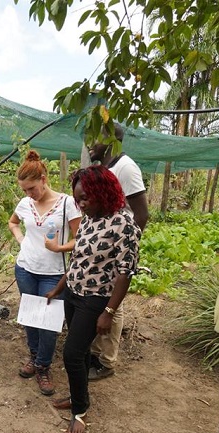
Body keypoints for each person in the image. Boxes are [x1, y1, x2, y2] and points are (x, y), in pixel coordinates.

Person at [46, 166, 140, 433]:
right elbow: (78, 260)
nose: (82, 204)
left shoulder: (124, 225)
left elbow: (125, 272)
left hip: (95, 299)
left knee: (72, 353)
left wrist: (109, 312)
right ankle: (79, 398)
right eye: (78, 199)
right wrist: (58, 289)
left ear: (103, 192)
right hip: (73, 293)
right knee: (82, 351)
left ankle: (80, 412)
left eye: (86, 198)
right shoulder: (88, 220)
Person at [7, 150, 82, 396]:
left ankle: (43, 366)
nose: (29, 194)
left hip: (54, 273)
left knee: (48, 323)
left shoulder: (66, 203)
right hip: (26, 268)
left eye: (31, 188)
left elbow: (81, 238)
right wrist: (21, 241)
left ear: (43, 179)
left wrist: (59, 247)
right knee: (30, 317)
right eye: (25, 190)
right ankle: (33, 356)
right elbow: (12, 222)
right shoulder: (25, 203)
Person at [86, 123, 149, 381]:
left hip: (117, 250)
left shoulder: (126, 167)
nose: (90, 143)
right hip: (102, 248)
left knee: (114, 303)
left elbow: (142, 214)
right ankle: (96, 351)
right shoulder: (106, 168)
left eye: (95, 138)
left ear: (112, 140)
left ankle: (107, 361)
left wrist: (125, 248)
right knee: (100, 297)